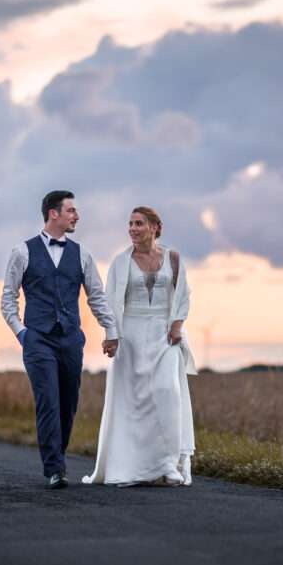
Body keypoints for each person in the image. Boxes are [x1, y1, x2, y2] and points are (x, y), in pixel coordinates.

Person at [0, 190, 119, 490]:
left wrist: (111, 330)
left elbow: (97, 297)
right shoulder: (22, 252)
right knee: (48, 402)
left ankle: (58, 455)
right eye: (71, 211)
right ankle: (55, 468)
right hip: (37, 339)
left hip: (70, 339)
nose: (76, 216)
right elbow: (8, 299)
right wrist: (22, 333)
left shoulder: (82, 254)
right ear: (53, 213)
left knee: (68, 403)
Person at [83, 206, 197, 487]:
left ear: (155, 227)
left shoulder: (173, 258)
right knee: (133, 402)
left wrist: (177, 326)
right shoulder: (120, 263)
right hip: (131, 336)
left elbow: (183, 294)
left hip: (165, 335)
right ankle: (137, 466)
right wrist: (111, 335)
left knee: (167, 392)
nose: (132, 229)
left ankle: (170, 463)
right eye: (130, 224)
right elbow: (110, 302)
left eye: (139, 223)